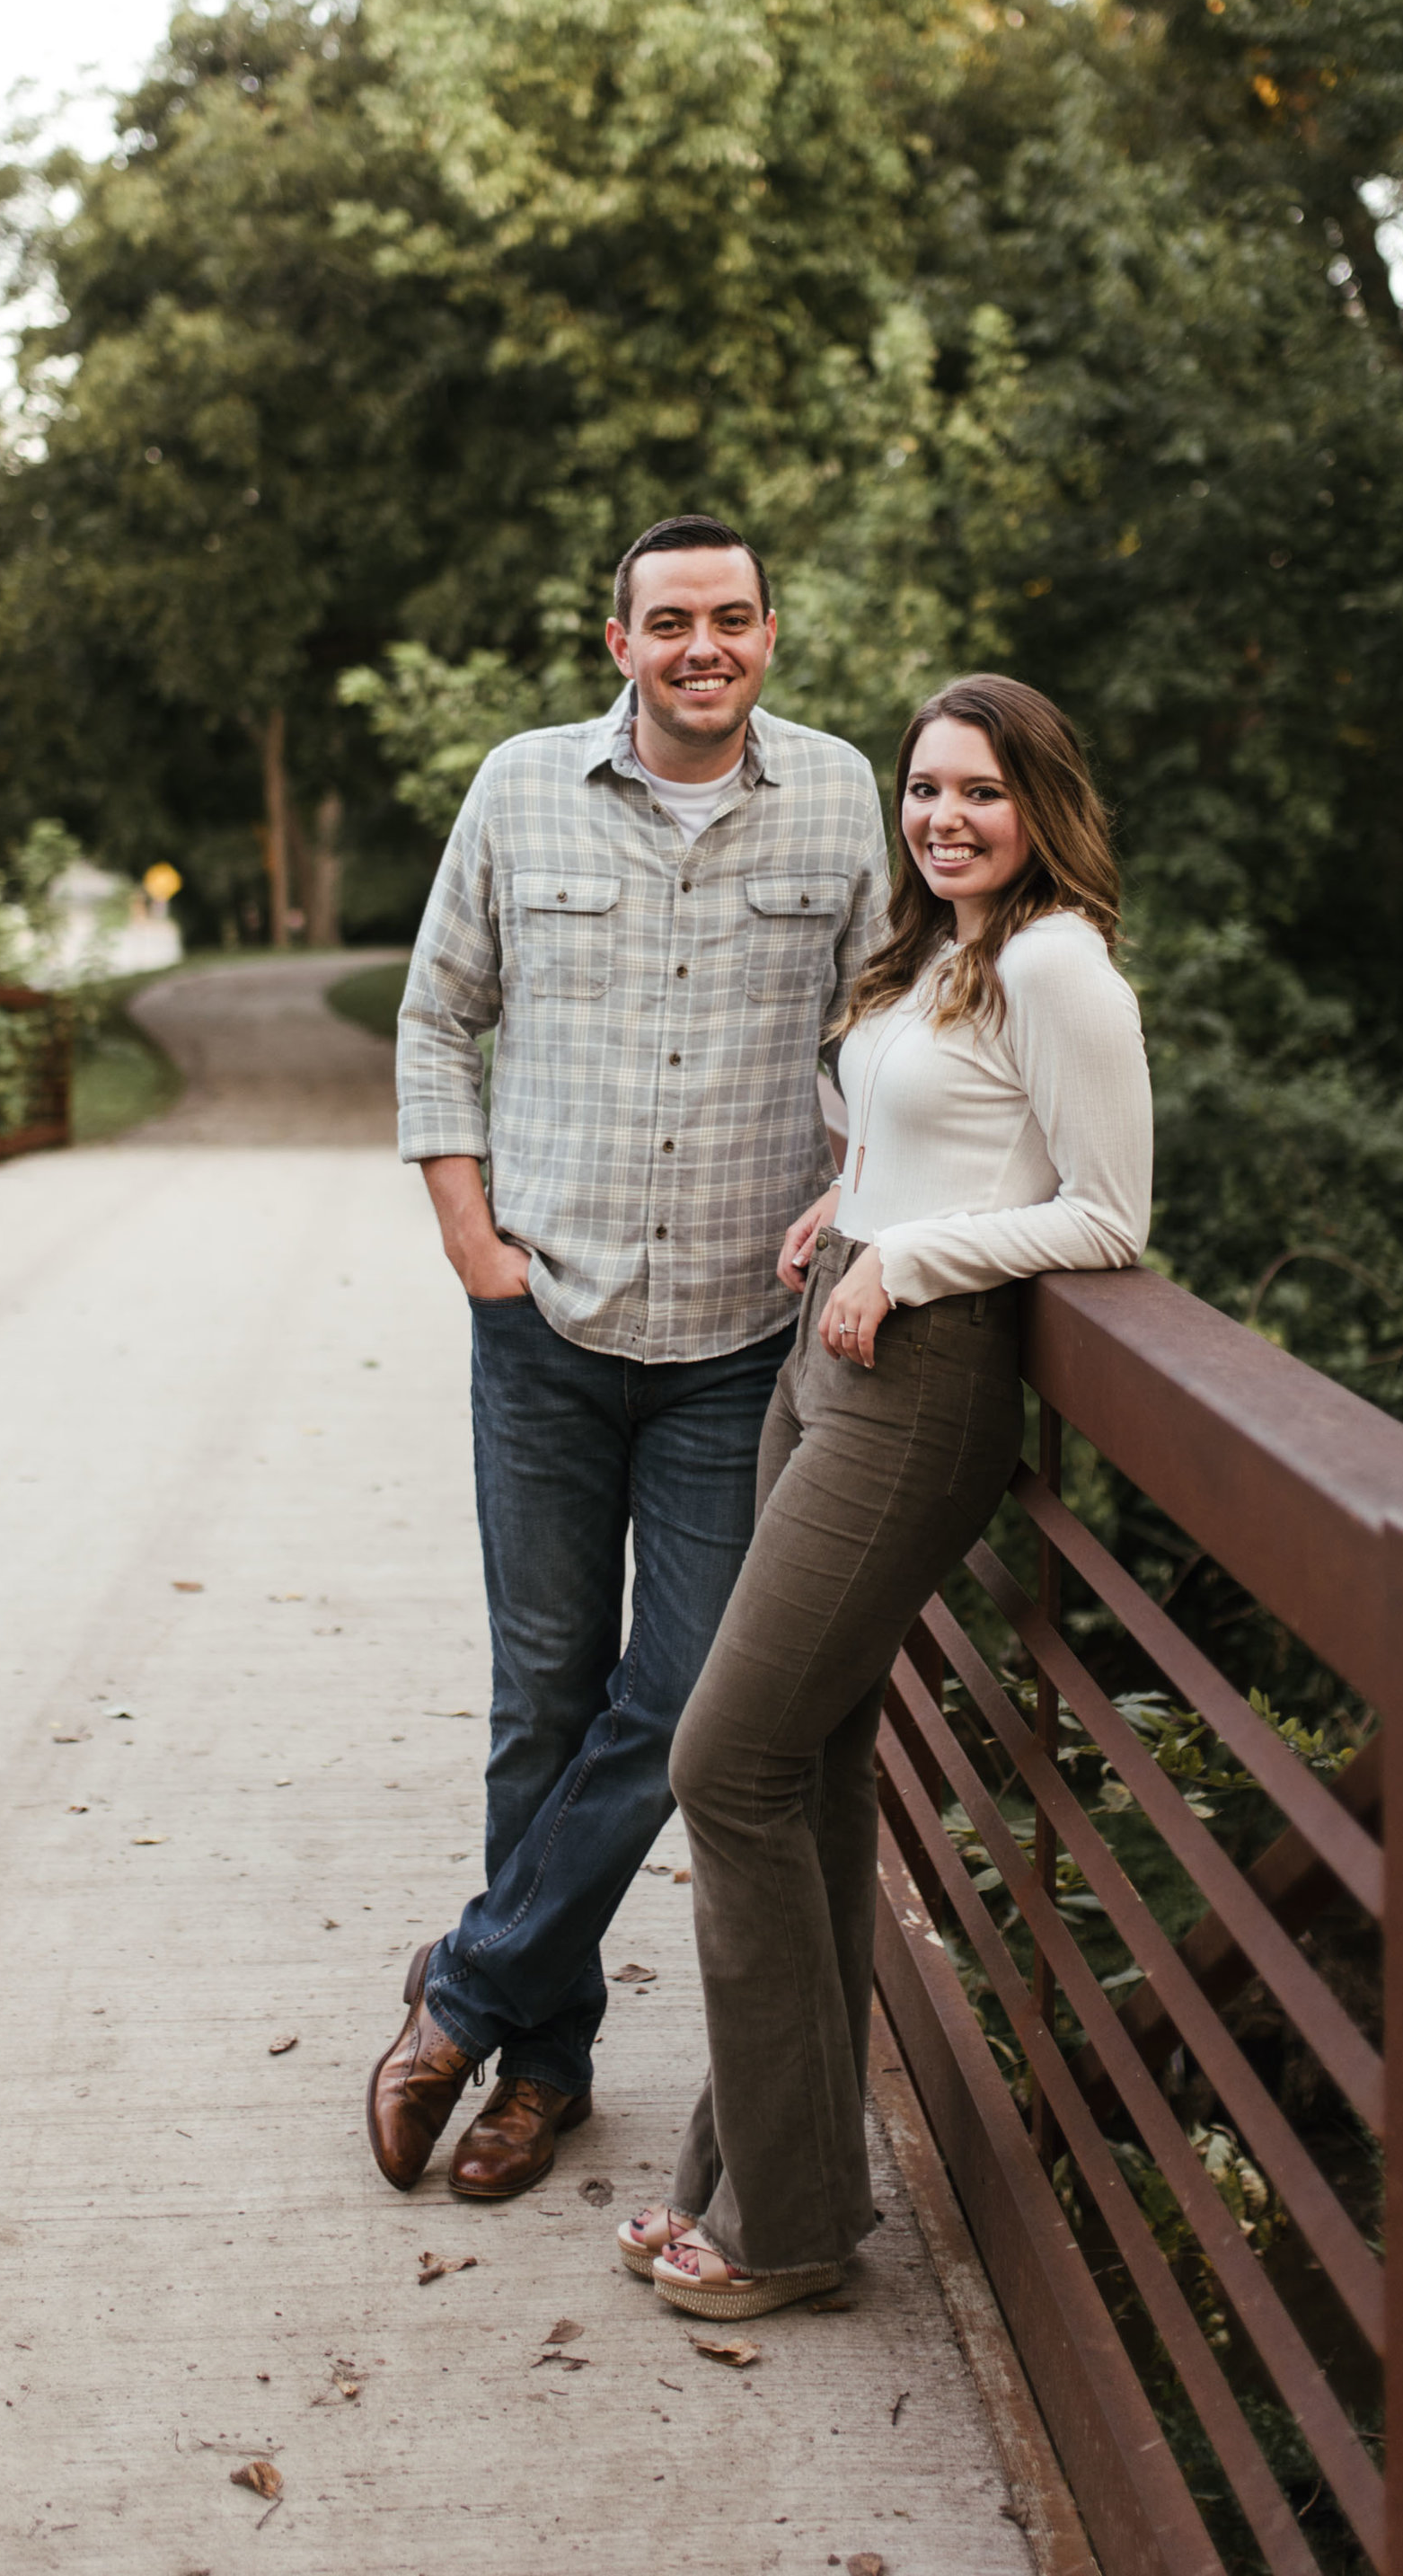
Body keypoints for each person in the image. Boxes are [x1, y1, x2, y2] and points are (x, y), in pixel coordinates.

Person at [367, 514, 888, 2203]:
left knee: (680, 1697)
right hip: (547, 1318)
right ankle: (544, 2069)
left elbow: (884, 1033)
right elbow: (439, 1011)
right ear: (620, 644)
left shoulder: (839, 795)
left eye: (730, 618)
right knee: (541, 1690)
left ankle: (463, 1983)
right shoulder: (520, 787)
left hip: (742, 1335)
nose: (701, 648)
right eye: (669, 622)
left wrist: (879, 1207)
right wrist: (472, 1245)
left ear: (771, 633)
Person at [629, 672, 1152, 2318]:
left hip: (921, 1385)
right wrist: (845, 1206)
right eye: (925, 789)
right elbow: (921, 1132)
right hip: (828, 1341)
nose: (942, 817)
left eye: (979, 793)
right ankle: (768, 2186)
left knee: (726, 1759)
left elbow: (1108, 1215)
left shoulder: (1062, 965)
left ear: (1040, 803)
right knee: (812, 1768)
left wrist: (915, 1248)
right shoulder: (940, 949)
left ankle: (778, 2225)